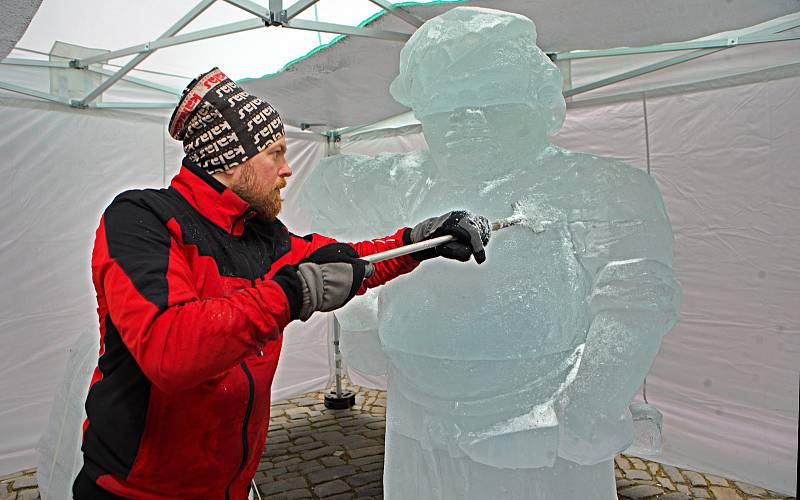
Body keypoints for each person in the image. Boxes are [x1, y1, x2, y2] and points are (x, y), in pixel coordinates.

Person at [72, 67, 491, 499]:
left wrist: (419, 242)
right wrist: (292, 293)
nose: (287, 169)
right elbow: (172, 351)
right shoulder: (142, 221)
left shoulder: (263, 235)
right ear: (232, 160)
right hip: (134, 492)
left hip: (228, 485)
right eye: (275, 153)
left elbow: (346, 260)